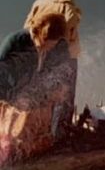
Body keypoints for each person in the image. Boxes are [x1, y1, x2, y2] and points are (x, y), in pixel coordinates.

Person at [0, 11, 74, 165]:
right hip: (12, 100)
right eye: (47, 41)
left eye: (53, 42)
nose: (49, 46)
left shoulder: (58, 46)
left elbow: (60, 71)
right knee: (10, 140)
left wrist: (58, 90)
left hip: (37, 101)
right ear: (38, 31)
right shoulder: (15, 42)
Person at [24, 0, 81, 136]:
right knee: (65, 93)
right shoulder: (66, 2)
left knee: (46, 93)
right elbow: (70, 23)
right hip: (65, 54)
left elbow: (28, 26)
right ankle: (61, 133)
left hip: (42, 53)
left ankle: (43, 131)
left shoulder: (39, 1)